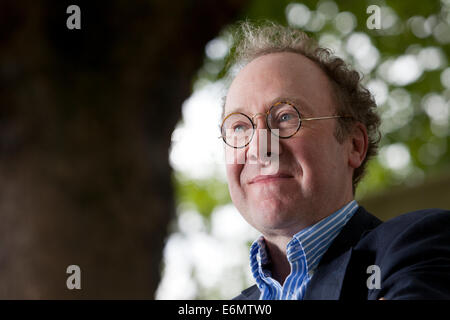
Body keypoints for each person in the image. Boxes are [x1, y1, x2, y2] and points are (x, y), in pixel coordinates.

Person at [219, 21, 450, 300]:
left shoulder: (418, 246)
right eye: (240, 127)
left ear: (354, 145)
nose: (259, 147)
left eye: (286, 117)